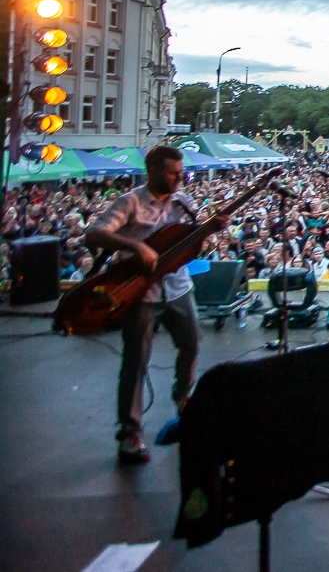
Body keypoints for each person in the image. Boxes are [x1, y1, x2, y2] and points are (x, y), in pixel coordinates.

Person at [85, 145, 229, 465]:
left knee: (192, 343)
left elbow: (192, 244)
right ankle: (130, 432)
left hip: (177, 287)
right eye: (172, 173)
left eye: (181, 172)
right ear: (152, 171)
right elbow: (94, 233)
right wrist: (135, 246)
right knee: (136, 360)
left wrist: (210, 230)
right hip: (139, 293)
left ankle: (183, 397)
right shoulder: (130, 203)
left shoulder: (184, 202)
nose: (180, 178)